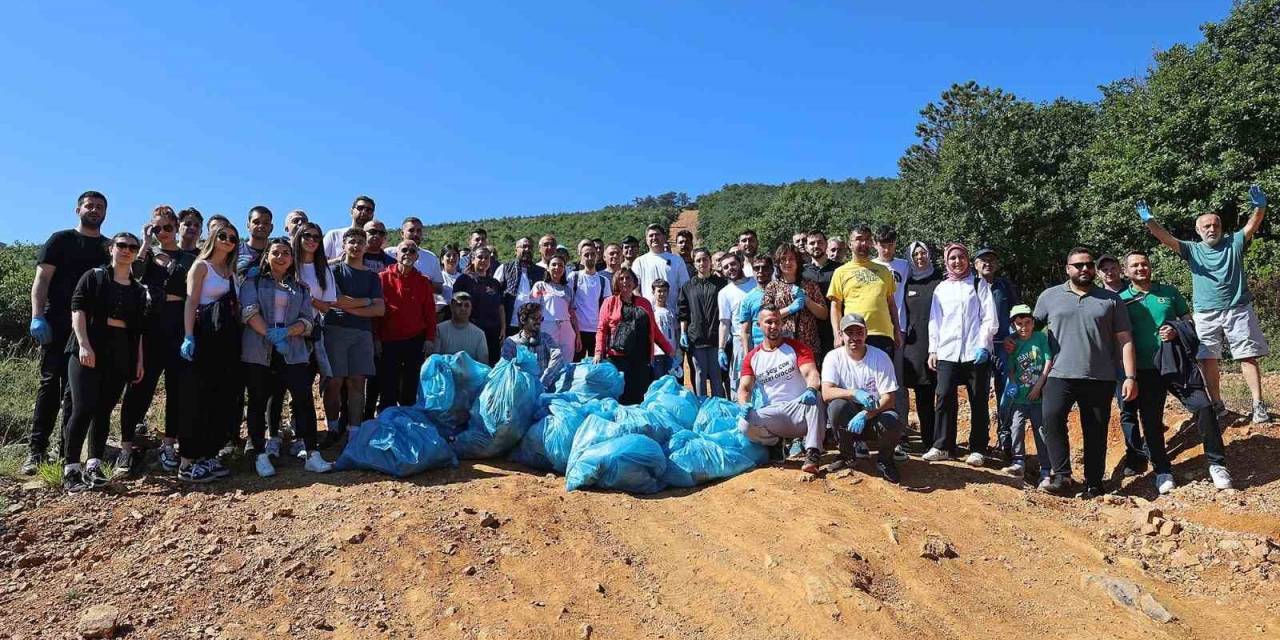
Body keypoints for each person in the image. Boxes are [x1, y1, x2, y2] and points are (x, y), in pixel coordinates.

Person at [1138, 187, 1270, 423]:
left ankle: (1258, 405)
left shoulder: (1234, 242)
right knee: (1208, 358)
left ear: (1221, 227)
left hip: (1238, 309)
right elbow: (1165, 238)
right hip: (1206, 313)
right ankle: (1217, 404)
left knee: (1247, 356)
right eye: (1206, 226)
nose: (1211, 229)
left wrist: (1259, 207)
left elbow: (1253, 224)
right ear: (1198, 231)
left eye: (1215, 225)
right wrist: (1150, 221)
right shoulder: (1192, 249)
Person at [1118, 250, 1227, 493]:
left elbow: (1189, 322)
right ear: (1126, 271)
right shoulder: (1120, 299)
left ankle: (1217, 465)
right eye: (1134, 265)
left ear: (1150, 267)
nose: (1140, 268)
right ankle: (1163, 471)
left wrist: (1176, 329)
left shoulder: (1168, 292)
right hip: (1145, 369)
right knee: (1151, 421)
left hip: (1177, 364)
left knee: (1203, 407)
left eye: (1144, 264)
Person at [1032, 247, 1137, 497]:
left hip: (1099, 376)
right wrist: (1015, 343)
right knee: (1052, 420)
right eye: (1078, 265)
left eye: (1088, 265)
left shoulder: (1111, 299)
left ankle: (1094, 482)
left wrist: (1131, 377)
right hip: (1058, 373)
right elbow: (1031, 329)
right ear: (1067, 269)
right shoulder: (1049, 296)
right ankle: (1061, 476)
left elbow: (1125, 339)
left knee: (1096, 431)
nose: (1084, 269)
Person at [24, 191, 110, 475]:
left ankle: (66, 453)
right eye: (90, 206)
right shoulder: (60, 240)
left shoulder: (108, 247)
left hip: (89, 331)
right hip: (57, 325)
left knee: (76, 392)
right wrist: (37, 316)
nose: (94, 210)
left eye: (100, 207)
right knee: (50, 386)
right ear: (78, 209)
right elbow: (42, 280)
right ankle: (36, 452)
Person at [61, 232, 148, 492]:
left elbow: (138, 330)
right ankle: (71, 469)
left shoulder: (137, 289)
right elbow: (78, 310)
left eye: (132, 247)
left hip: (121, 351)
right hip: (88, 347)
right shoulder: (94, 277)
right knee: (83, 407)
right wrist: (84, 344)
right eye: (121, 245)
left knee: (103, 410)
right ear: (111, 248)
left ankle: (94, 465)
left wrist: (139, 361)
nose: (126, 250)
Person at [240, 237, 333, 477]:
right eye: (275, 252)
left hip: (293, 352)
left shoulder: (300, 288)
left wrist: (287, 333)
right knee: (259, 400)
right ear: (267, 256)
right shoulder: (253, 281)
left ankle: (312, 453)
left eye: (285, 253)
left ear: (292, 259)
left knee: (303, 400)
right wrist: (271, 335)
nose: (280, 257)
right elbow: (249, 311)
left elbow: (307, 321)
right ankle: (260, 454)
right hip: (259, 350)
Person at [118, 206, 196, 475]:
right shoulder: (146, 256)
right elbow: (134, 274)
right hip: (150, 327)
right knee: (140, 386)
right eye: (157, 228)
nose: (162, 232)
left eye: (167, 227)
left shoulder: (190, 257)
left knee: (176, 389)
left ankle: (169, 444)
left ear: (176, 227)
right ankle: (126, 448)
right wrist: (145, 242)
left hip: (178, 326)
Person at [180, 222, 243, 483]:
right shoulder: (201, 266)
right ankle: (187, 461)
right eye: (223, 236)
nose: (228, 241)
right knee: (198, 397)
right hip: (204, 337)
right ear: (213, 239)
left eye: (232, 238)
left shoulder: (230, 272)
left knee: (220, 399)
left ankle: (207, 455)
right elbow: (191, 302)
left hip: (226, 341)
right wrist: (188, 335)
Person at [923, 244, 997, 466]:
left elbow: (989, 317)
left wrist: (984, 344)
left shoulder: (978, 284)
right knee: (944, 396)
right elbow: (935, 321)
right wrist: (933, 349)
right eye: (953, 258)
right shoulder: (941, 289)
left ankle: (978, 448)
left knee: (978, 400)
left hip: (975, 353)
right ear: (946, 261)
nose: (957, 261)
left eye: (961, 257)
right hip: (948, 351)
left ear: (968, 259)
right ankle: (943, 445)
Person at [737, 305, 826, 474]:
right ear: (759, 325)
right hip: (774, 413)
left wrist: (811, 389)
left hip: (800, 409)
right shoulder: (752, 357)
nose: (773, 326)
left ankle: (813, 452)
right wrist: (744, 405)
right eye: (768, 322)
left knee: (816, 398)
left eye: (777, 322)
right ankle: (775, 444)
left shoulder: (797, 348)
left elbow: (811, 373)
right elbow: (745, 388)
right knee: (744, 424)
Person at [321, 228, 385, 446]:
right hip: (334, 329)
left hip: (362, 333)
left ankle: (355, 433)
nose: (356, 246)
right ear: (344, 245)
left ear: (365, 246)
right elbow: (336, 300)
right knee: (334, 381)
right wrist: (366, 301)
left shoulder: (372, 276)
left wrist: (353, 306)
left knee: (357, 382)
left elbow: (380, 310)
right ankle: (332, 428)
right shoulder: (333, 271)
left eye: (360, 242)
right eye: (352, 242)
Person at [821, 313, 904, 483]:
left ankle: (885, 460)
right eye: (849, 333)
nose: (854, 338)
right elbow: (826, 393)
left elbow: (889, 398)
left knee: (892, 419)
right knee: (836, 407)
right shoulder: (833, 357)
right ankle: (846, 455)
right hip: (849, 416)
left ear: (866, 334)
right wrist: (853, 393)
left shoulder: (880, 357)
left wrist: (866, 413)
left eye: (859, 333)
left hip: (874, 415)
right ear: (841, 335)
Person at [594, 269, 677, 404]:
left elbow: (654, 330)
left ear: (634, 282)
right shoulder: (609, 302)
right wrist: (598, 353)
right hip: (617, 358)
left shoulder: (644, 303)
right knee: (621, 396)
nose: (625, 281)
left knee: (639, 396)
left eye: (628, 278)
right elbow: (602, 329)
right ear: (616, 282)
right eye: (621, 279)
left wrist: (669, 350)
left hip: (641, 358)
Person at [377, 239, 437, 413]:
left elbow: (430, 313)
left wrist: (430, 338)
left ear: (417, 256)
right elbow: (376, 314)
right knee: (388, 387)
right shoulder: (382, 278)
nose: (408, 254)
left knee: (410, 388)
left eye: (412, 251)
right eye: (404, 250)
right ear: (396, 254)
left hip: (415, 340)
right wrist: (376, 339)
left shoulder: (423, 281)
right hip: (388, 340)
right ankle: (387, 425)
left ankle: (407, 426)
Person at [972, 247, 1021, 457]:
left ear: (997, 264)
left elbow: (1016, 313)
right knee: (978, 394)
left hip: (1002, 346)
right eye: (983, 260)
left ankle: (1005, 439)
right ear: (975, 264)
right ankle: (980, 442)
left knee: (1005, 393)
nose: (987, 264)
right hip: (978, 348)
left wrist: (1015, 337)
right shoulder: (969, 286)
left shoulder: (1005, 286)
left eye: (991, 260)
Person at [1000, 305, 1054, 483]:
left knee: (1041, 431)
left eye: (1027, 322)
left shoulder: (1040, 338)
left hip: (1038, 396)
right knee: (1016, 427)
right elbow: (1010, 368)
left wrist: (1039, 385)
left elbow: (1048, 361)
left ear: (1033, 322)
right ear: (1014, 325)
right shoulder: (1013, 343)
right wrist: (1013, 383)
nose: (1024, 327)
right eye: (1019, 323)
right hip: (1020, 397)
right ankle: (1018, 461)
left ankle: (1046, 468)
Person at [828, 225, 900, 357]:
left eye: (867, 239)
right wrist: (837, 334)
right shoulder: (840, 272)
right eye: (859, 239)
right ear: (850, 244)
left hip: (883, 334)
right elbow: (835, 307)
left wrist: (897, 331)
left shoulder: (884, 271)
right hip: (854, 335)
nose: (864, 243)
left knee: (883, 377)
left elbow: (891, 304)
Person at [902, 241, 942, 446]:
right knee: (923, 393)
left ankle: (945, 440)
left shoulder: (941, 280)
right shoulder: (908, 283)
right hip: (915, 347)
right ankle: (928, 440)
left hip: (942, 344)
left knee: (943, 393)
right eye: (916, 254)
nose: (920, 257)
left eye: (923, 253)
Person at [762, 243, 828, 355]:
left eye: (791, 259)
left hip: (808, 345)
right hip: (782, 345)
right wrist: (790, 309)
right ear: (778, 263)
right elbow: (766, 317)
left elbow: (824, 314)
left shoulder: (809, 284)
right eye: (783, 259)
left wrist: (806, 300)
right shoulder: (772, 287)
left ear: (798, 261)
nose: (787, 262)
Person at [679, 248, 727, 398]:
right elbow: (683, 312)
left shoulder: (721, 284)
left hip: (716, 337)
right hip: (696, 337)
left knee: (716, 375)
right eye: (698, 260)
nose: (702, 263)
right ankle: (702, 406)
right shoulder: (688, 287)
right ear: (694, 263)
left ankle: (718, 407)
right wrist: (683, 333)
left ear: (710, 261)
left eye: (705, 259)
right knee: (699, 373)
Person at [454, 246, 505, 365]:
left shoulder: (495, 283)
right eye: (480, 257)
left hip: (493, 332)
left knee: (491, 366)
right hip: (471, 331)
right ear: (472, 259)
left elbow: (501, 307)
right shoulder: (463, 280)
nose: (483, 260)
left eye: (487, 258)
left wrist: (503, 328)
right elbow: (456, 306)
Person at [717, 252, 757, 393]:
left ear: (740, 263)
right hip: (739, 342)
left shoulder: (756, 282)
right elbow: (725, 323)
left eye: (733, 264)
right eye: (726, 267)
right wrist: (721, 349)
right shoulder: (724, 293)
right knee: (741, 380)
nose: (730, 268)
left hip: (761, 338)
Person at [503, 302, 565, 390]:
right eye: (535, 318)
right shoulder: (511, 342)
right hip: (520, 390)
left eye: (540, 318)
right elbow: (506, 368)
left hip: (543, 389)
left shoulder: (546, 338)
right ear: (523, 319)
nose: (538, 322)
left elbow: (558, 356)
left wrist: (544, 381)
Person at [631, 224, 690, 316]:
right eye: (650, 236)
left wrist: (681, 312)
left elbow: (685, 288)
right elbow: (635, 290)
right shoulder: (639, 262)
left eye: (657, 234)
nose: (654, 238)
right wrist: (643, 310)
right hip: (648, 316)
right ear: (646, 240)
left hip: (673, 315)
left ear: (664, 237)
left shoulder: (677, 260)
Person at [531, 254, 580, 358]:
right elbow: (532, 310)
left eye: (561, 265)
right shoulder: (540, 286)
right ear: (548, 268)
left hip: (566, 329)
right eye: (554, 265)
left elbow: (572, 314)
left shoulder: (568, 289)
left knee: (566, 361)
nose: (557, 268)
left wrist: (578, 335)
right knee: (546, 360)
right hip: (546, 327)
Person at [391, 216, 445, 309]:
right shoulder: (389, 253)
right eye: (411, 230)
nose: (415, 234)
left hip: (421, 310)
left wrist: (421, 284)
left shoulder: (431, 258)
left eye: (419, 231)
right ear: (402, 233)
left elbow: (439, 288)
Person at [568, 241, 611, 358]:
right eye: (586, 255)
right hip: (578, 331)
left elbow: (607, 308)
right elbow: (569, 304)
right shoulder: (573, 277)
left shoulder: (604, 281)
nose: (590, 257)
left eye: (593, 254)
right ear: (581, 256)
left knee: (596, 368)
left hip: (597, 331)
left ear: (597, 256)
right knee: (576, 366)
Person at [496, 236, 546, 336]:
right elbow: (496, 294)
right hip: (510, 325)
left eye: (530, 247)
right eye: (524, 246)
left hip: (533, 326)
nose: (527, 249)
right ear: (516, 250)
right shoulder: (504, 268)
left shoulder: (541, 272)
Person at [803, 230, 841, 355]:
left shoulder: (840, 269)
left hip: (835, 329)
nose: (816, 246)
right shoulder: (801, 272)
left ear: (826, 245)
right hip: (810, 331)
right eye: (812, 243)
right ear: (806, 247)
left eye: (820, 242)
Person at [735, 255, 775, 363]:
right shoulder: (747, 299)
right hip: (759, 351)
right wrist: (748, 358)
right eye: (756, 268)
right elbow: (746, 331)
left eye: (765, 268)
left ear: (772, 270)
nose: (760, 271)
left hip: (782, 349)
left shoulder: (781, 293)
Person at [437, 292, 489, 362]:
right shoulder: (439, 330)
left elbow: (483, 366)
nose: (463, 308)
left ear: (471, 309)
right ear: (451, 307)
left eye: (466, 305)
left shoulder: (480, 335)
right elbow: (434, 362)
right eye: (459, 305)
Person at [323, 195, 376, 260]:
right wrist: (340, 260)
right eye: (360, 208)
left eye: (369, 210)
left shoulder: (374, 241)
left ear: (372, 215)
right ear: (351, 211)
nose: (364, 212)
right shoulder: (334, 235)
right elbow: (318, 264)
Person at [650, 280, 681, 378]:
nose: (662, 294)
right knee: (659, 380)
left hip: (671, 352)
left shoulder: (671, 311)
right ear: (653, 292)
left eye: (664, 291)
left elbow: (676, 330)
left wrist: (678, 348)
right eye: (659, 291)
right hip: (657, 353)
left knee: (671, 380)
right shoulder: (652, 312)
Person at [236, 206, 273, 278]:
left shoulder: (278, 253)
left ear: (271, 227)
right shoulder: (235, 251)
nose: (261, 225)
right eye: (256, 222)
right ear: (248, 226)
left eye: (266, 223)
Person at [438, 244, 462, 320]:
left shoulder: (463, 278)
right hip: (443, 317)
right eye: (448, 255)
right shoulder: (438, 277)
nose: (452, 258)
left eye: (455, 255)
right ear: (442, 259)